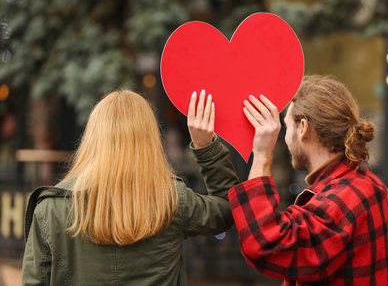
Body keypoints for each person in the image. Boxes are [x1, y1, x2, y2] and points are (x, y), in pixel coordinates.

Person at [22, 89, 238, 286]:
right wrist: (205, 145)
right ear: (150, 140)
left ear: (92, 138)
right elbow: (230, 208)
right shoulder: (172, 200)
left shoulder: (49, 210)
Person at [229, 75, 388, 285]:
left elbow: (265, 243)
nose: (286, 137)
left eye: (287, 126)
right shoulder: (371, 184)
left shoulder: (342, 199)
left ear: (303, 128)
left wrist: (262, 155)